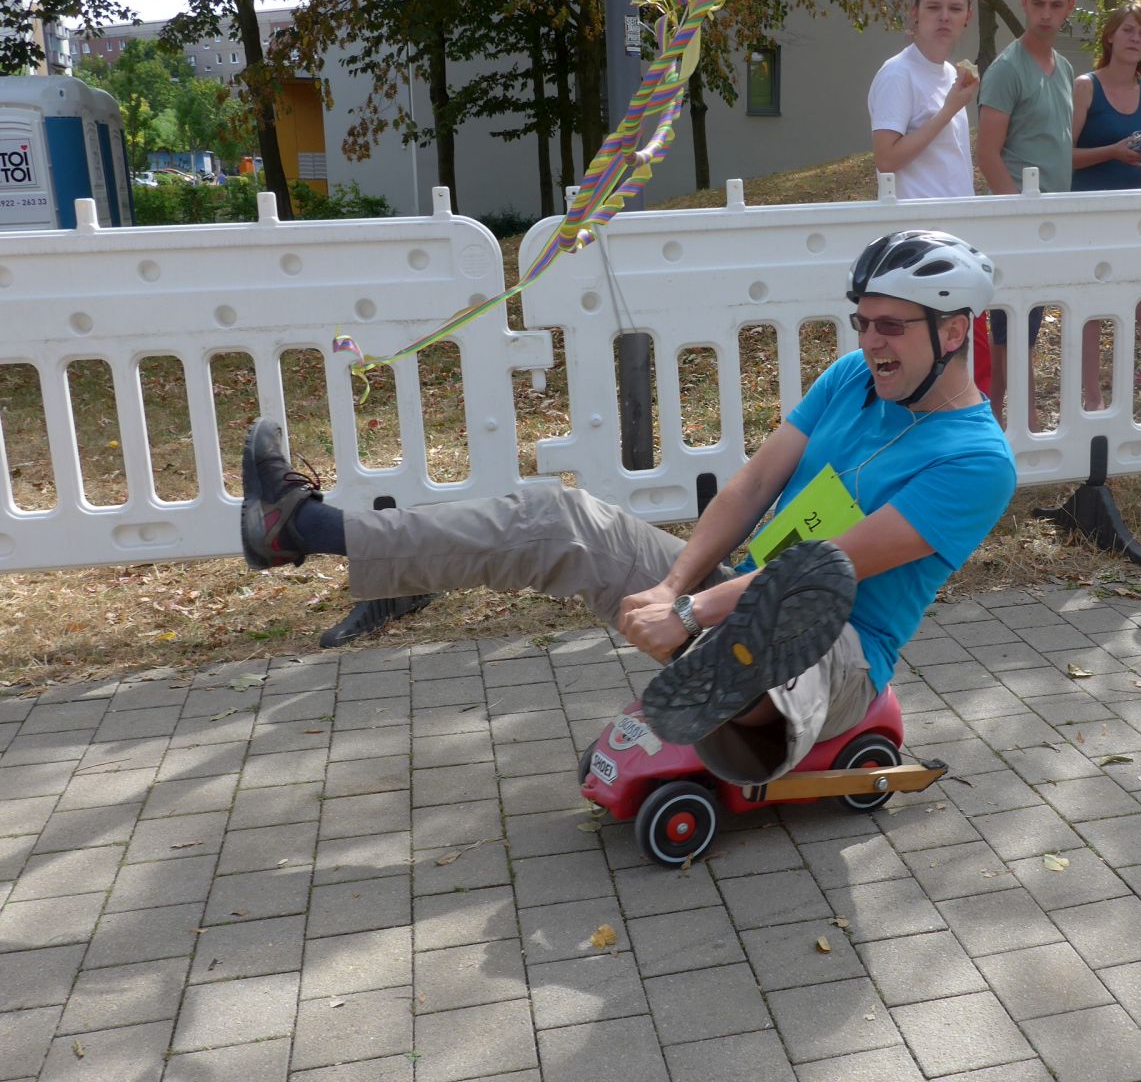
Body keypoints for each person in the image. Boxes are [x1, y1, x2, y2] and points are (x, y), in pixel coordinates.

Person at [239, 231, 1017, 786]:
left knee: (795, 604)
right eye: (862, 321)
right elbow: (750, 487)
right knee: (562, 518)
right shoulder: (852, 377)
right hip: (731, 595)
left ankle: (734, 696)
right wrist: (677, 586)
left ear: (953, 331)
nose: (869, 341)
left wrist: (696, 610)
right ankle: (304, 528)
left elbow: (836, 563)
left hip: (837, 648)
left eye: (891, 326)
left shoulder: (978, 463)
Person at [867, 0, 995, 395]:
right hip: (915, 254)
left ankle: (968, 458)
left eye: (954, 8)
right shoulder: (898, 74)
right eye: (934, 6)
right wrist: (950, 110)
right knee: (929, 378)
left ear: (966, 17)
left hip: (956, 245)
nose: (944, 17)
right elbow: (886, 157)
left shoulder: (948, 76)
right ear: (915, 13)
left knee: (972, 370)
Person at [977, 0, 1076, 431]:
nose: (1045, 14)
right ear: (1024, 2)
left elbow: (1060, 148)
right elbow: (988, 153)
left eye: (1056, 5)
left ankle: (1010, 420)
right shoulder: (1005, 69)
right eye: (1037, 3)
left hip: (1051, 219)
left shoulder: (1063, 68)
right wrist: (1016, 214)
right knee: (1008, 326)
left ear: (1069, 7)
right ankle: (1016, 421)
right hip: (1016, 220)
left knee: (1029, 323)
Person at [1071, 0, 1141, 414]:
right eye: (1127, 29)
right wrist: (1113, 150)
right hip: (1088, 212)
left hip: (1136, 213)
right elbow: (1064, 155)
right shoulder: (1085, 86)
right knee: (1091, 309)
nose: (1134, 39)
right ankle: (1093, 401)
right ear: (1110, 34)